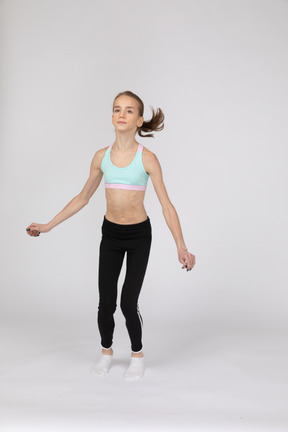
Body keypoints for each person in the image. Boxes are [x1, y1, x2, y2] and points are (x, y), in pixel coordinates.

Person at [26, 90, 196, 382]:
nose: (121, 114)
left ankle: (137, 356)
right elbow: (82, 198)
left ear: (139, 120)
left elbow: (167, 206)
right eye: (117, 109)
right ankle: (106, 353)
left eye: (130, 111)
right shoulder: (101, 157)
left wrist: (181, 246)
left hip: (139, 236)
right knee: (106, 303)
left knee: (129, 303)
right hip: (112, 234)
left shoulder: (148, 159)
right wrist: (48, 225)